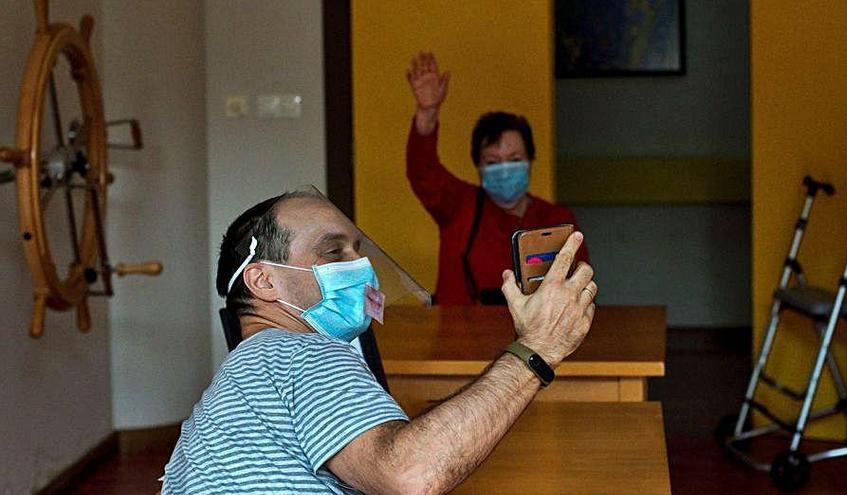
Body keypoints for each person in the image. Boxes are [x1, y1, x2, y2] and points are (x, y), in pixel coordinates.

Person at [160, 190, 597, 494]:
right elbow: (411, 476)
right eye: (334, 253)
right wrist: (537, 347)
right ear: (263, 281)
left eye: (357, 248)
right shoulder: (300, 353)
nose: (360, 263)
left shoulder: (253, 365)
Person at [406, 51, 590, 306]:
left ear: (530, 160)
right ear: (479, 166)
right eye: (493, 162)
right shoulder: (460, 205)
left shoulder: (556, 220)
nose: (504, 170)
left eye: (514, 160)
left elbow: (579, 288)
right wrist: (427, 113)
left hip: (533, 341)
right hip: (460, 340)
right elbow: (422, 172)